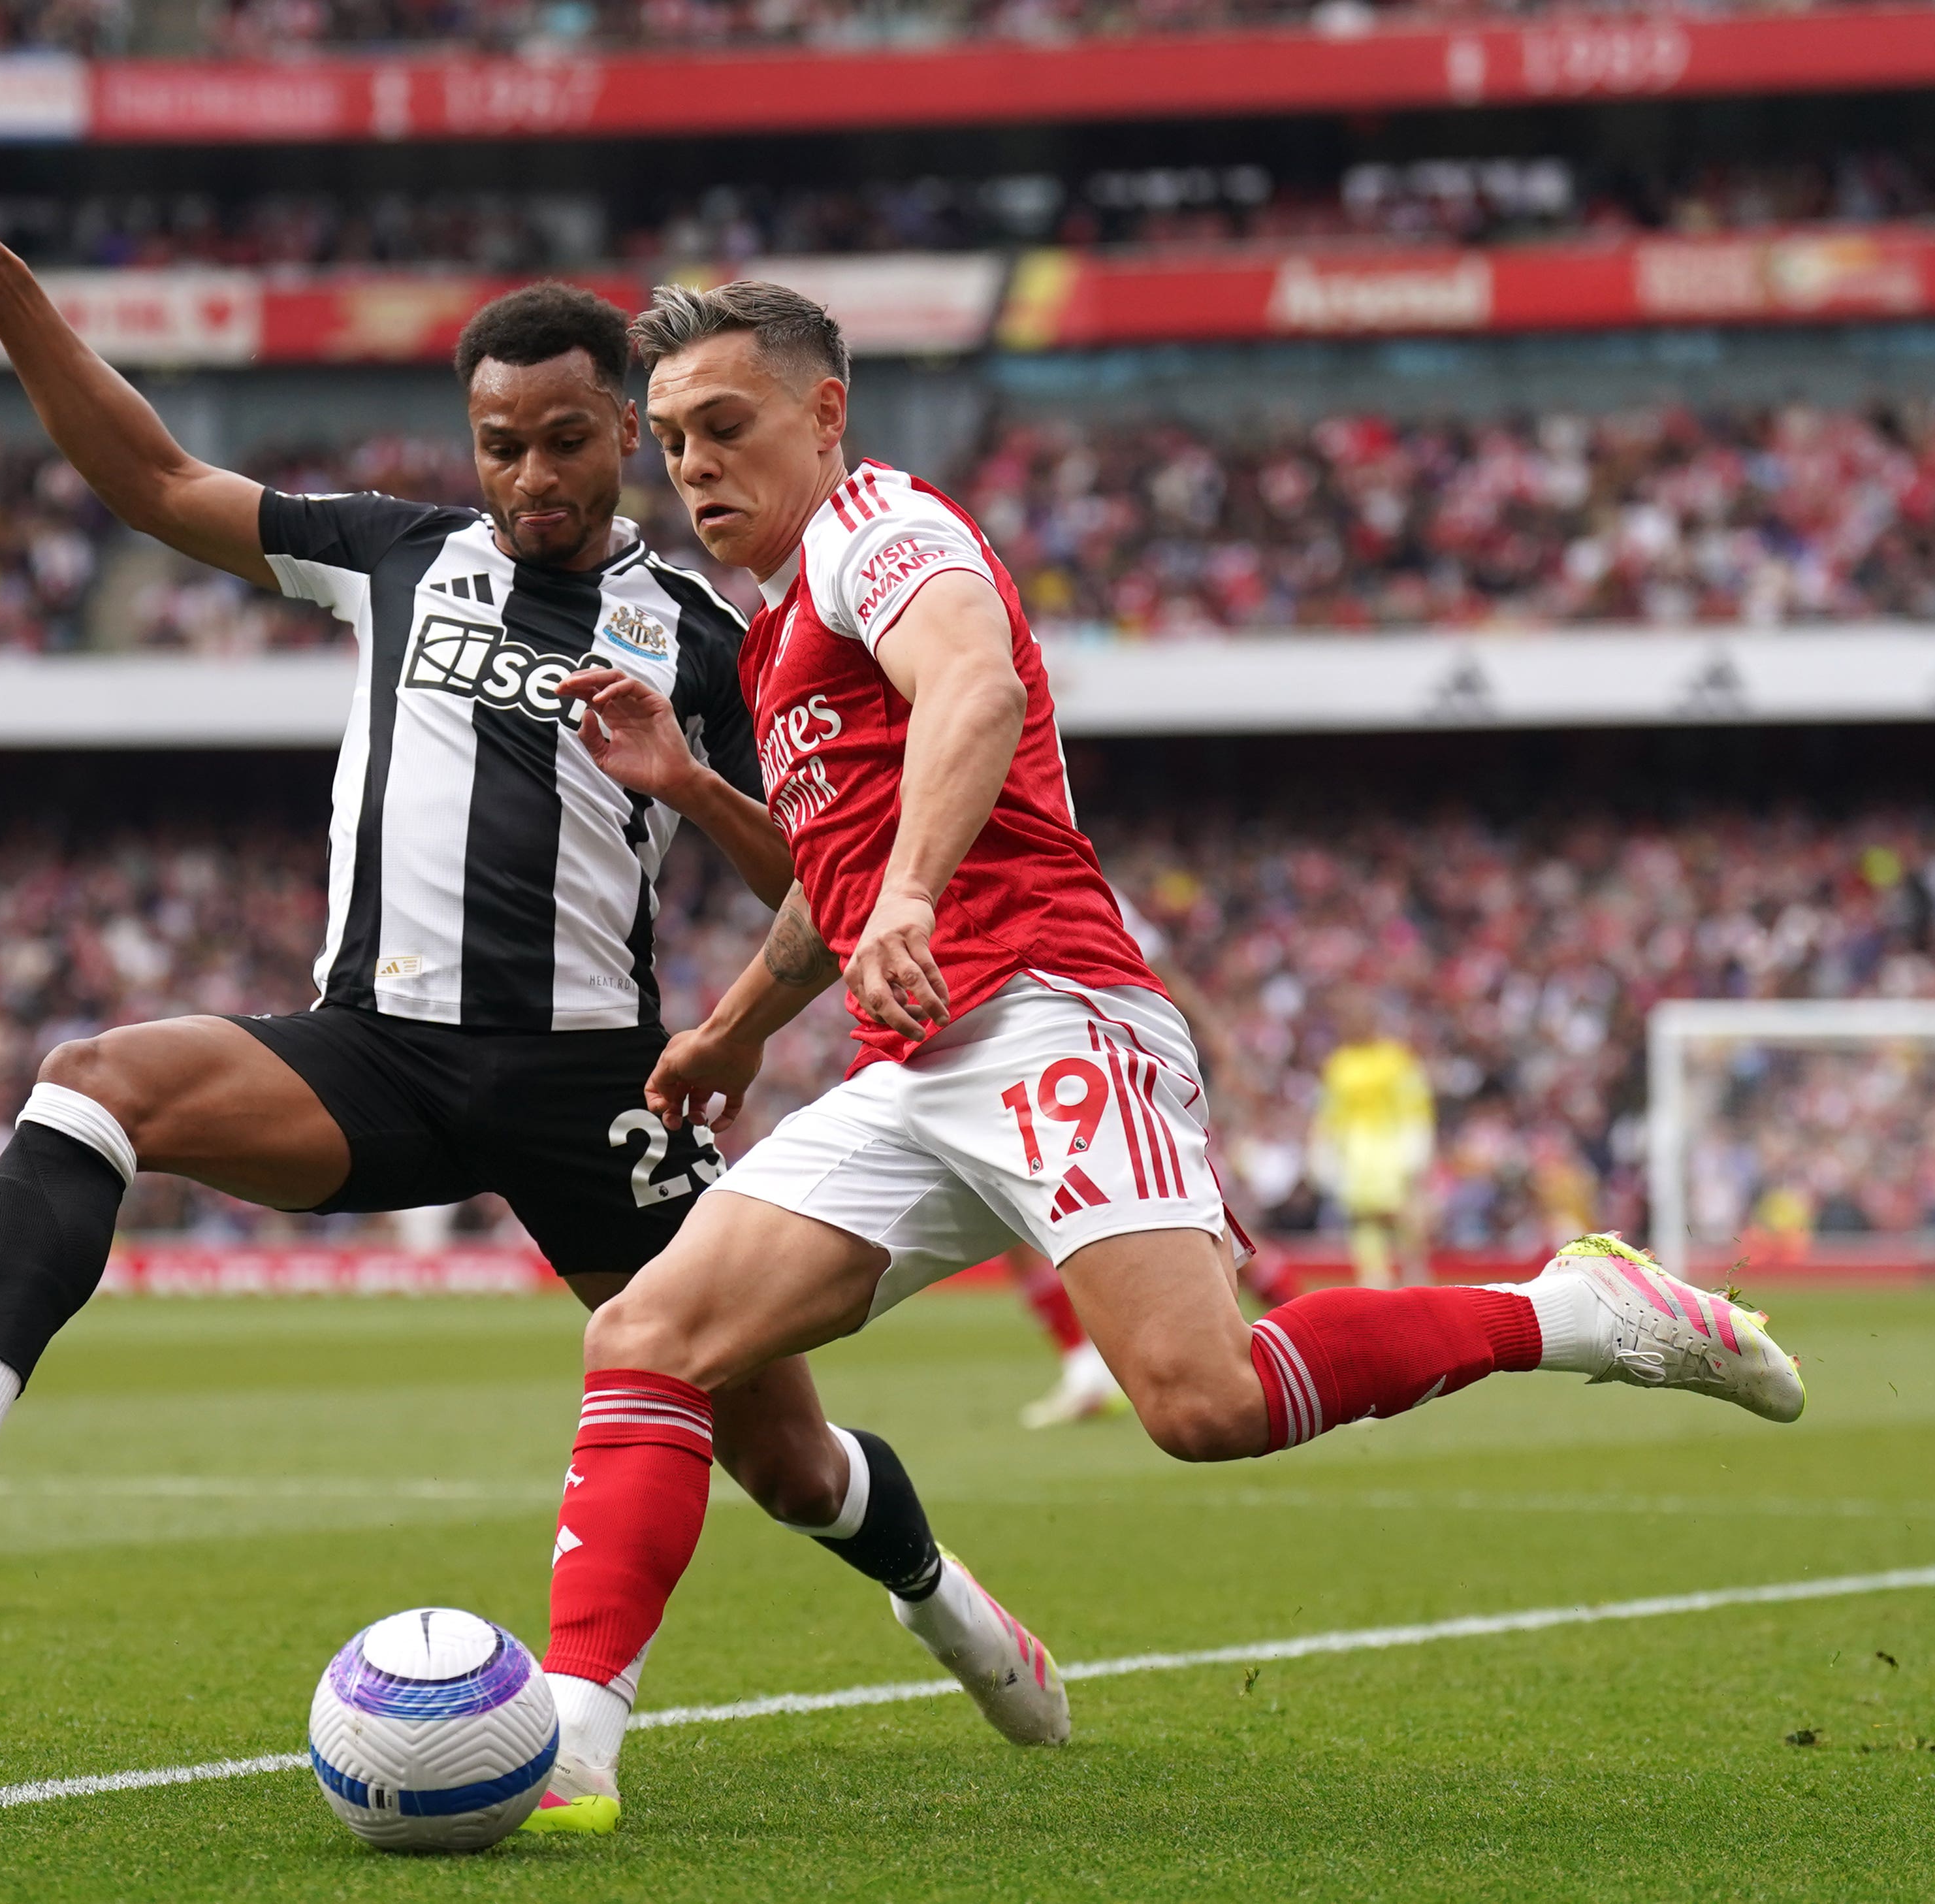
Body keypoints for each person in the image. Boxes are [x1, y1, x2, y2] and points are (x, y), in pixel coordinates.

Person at [0, 181, 1068, 1807]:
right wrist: (12, 289)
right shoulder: (391, 554)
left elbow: (816, 881)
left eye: (566, 439)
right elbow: (154, 480)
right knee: (98, 1078)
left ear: (624, 440)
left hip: (595, 1089)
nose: (528, 476)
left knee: (781, 1456)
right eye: (500, 442)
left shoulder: (716, 637)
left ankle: (949, 1607)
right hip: (369, 1050)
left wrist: (686, 776)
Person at [524, 279, 1806, 1830]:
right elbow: (827, 881)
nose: (693, 467)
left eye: (723, 426)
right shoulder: (782, 622)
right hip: (918, 1061)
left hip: (1046, 1007)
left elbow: (976, 688)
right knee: (646, 1336)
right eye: (668, 442)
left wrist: (914, 892)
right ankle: (569, 1742)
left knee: (1202, 1403)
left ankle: (1569, 1309)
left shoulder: (884, 528)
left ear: (824, 413)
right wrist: (728, 1033)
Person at [1015, 884, 1300, 1427]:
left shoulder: (1070, 873)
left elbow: (1156, 963)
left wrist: (1216, 1041)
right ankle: (1084, 1370)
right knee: (1010, 1219)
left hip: (1110, 1056)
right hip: (1037, 1066)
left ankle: (1302, 1328)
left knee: (1198, 1206)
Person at [1312, 990, 1435, 1287]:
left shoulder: (1395, 1059)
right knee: (1364, 1221)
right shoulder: (1339, 1065)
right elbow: (1330, 1112)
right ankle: (1374, 1280)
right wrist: (1323, 1150)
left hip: (1391, 1150)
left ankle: (1415, 1276)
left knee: (1403, 1216)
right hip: (1357, 1154)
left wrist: (1417, 1146)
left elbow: (1415, 1104)